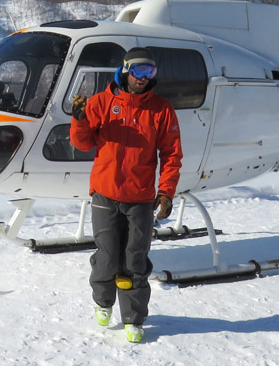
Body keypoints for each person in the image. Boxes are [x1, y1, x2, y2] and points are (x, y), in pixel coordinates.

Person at [69, 47, 182, 343]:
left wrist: (166, 191)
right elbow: (82, 144)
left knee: (135, 259)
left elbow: (171, 154)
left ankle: (134, 318)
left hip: (140, 197)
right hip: (105, 193)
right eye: (139, 71)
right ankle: (103, 301)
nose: (143, 78)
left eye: (150, 72)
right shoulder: (102, 102)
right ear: (126, 69)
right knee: (107, 257)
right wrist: (80, 120)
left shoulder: (161, 109)